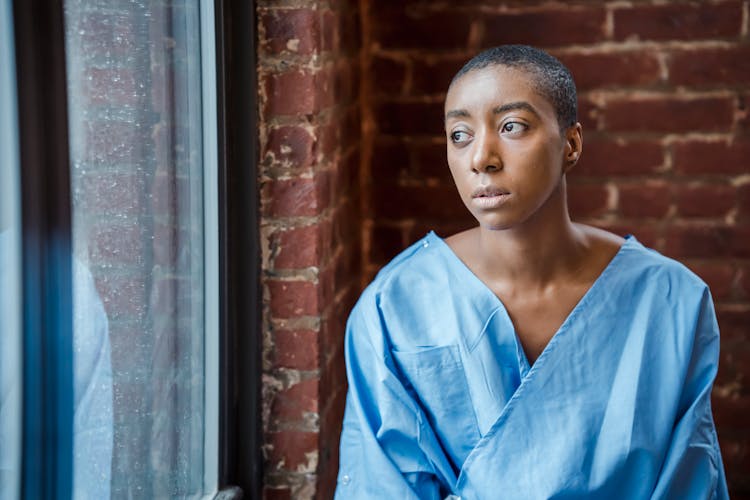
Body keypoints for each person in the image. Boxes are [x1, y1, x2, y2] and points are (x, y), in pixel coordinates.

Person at [335, 45, 728, 499]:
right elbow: (378, 485)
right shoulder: (394, 305)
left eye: (511, 127)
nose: (481, 157)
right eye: (459, 134)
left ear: (572, 144)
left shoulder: (670, 300)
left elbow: (688, 483)